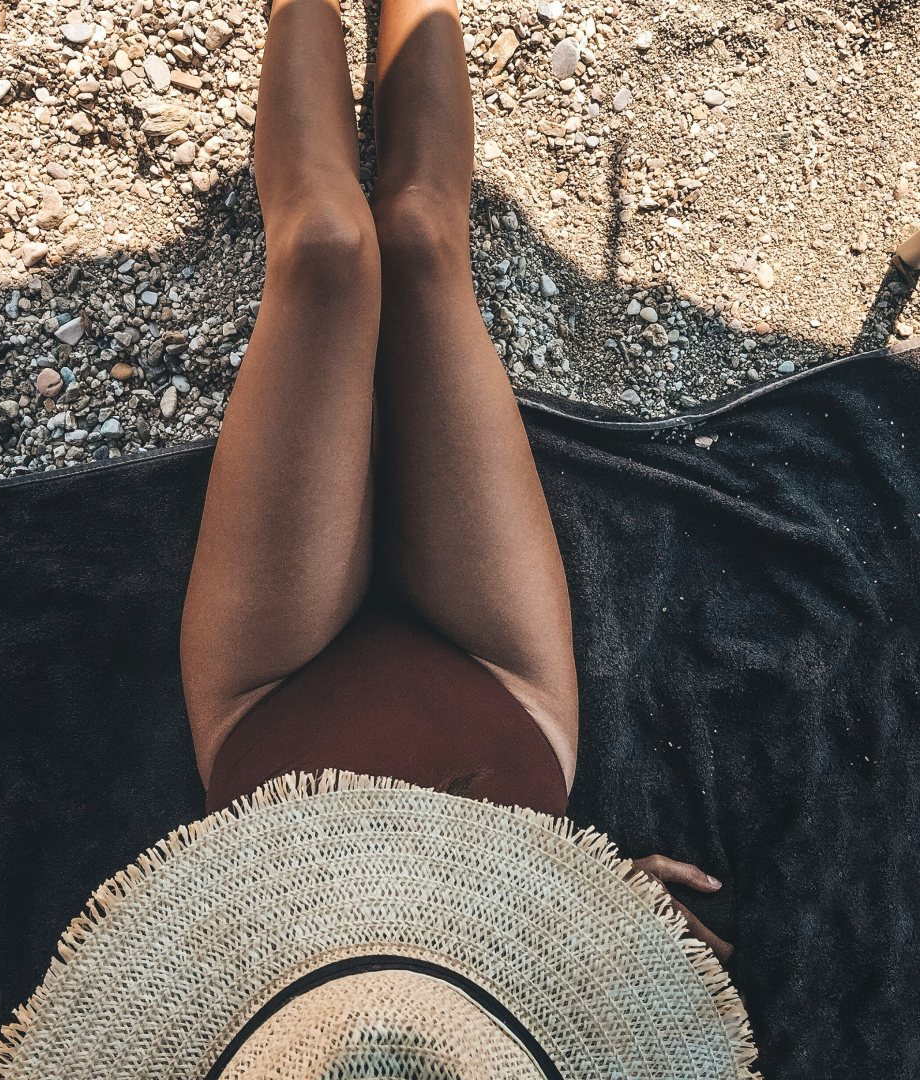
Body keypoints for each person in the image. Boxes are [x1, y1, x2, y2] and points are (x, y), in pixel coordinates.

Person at [178, 0, 732, 962]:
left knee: (324, 247)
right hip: (499, 693)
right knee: (418, 238)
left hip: (269, 705)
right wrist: (594, 917)